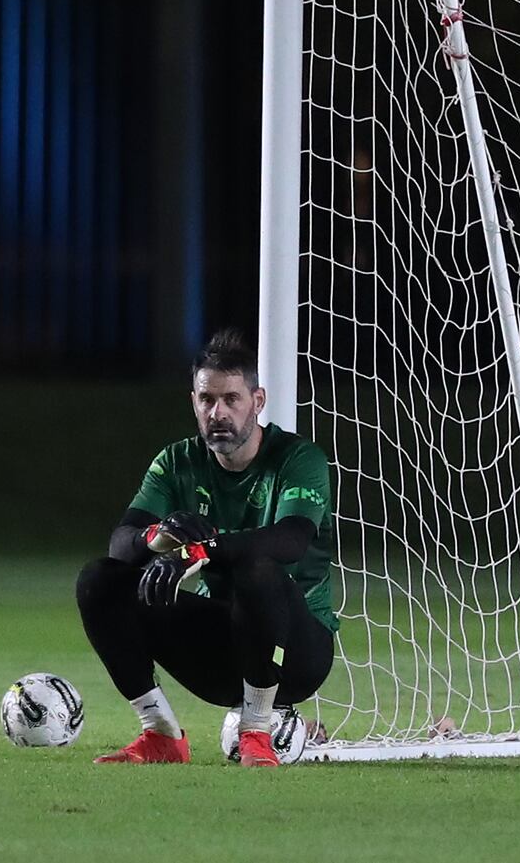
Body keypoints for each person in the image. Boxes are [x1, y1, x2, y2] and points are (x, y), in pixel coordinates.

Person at [75, 326, 339, 767]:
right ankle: (160, 733)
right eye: (206, 400)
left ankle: (257, 731)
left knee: (257, 569)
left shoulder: (298, 459)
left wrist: (200, 550)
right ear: (193, 402)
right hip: (221, 654)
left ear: (257, 401)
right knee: (98, 579)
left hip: (296, 653)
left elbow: (289, 541)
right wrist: (160, 538)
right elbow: (122, 546)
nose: (217, 412)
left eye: (231, 399)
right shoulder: (176, 461)